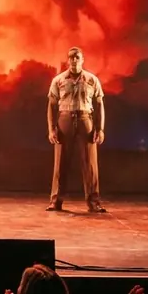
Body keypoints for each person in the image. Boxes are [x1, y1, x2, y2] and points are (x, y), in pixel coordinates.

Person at [46, 46, 106, 213]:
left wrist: (100, 128)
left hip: (85, 119)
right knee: (61, 162)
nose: (74, 60)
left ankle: (94, 202)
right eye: (71, 57)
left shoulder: (92, 80)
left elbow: (100, 104)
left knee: (90, 164)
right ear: (68, 60)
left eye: (77, 57)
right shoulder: (58, 80)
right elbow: (51, 105)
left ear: (82, 60)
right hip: (65, 119)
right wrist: (51, 129)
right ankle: (55, 201)